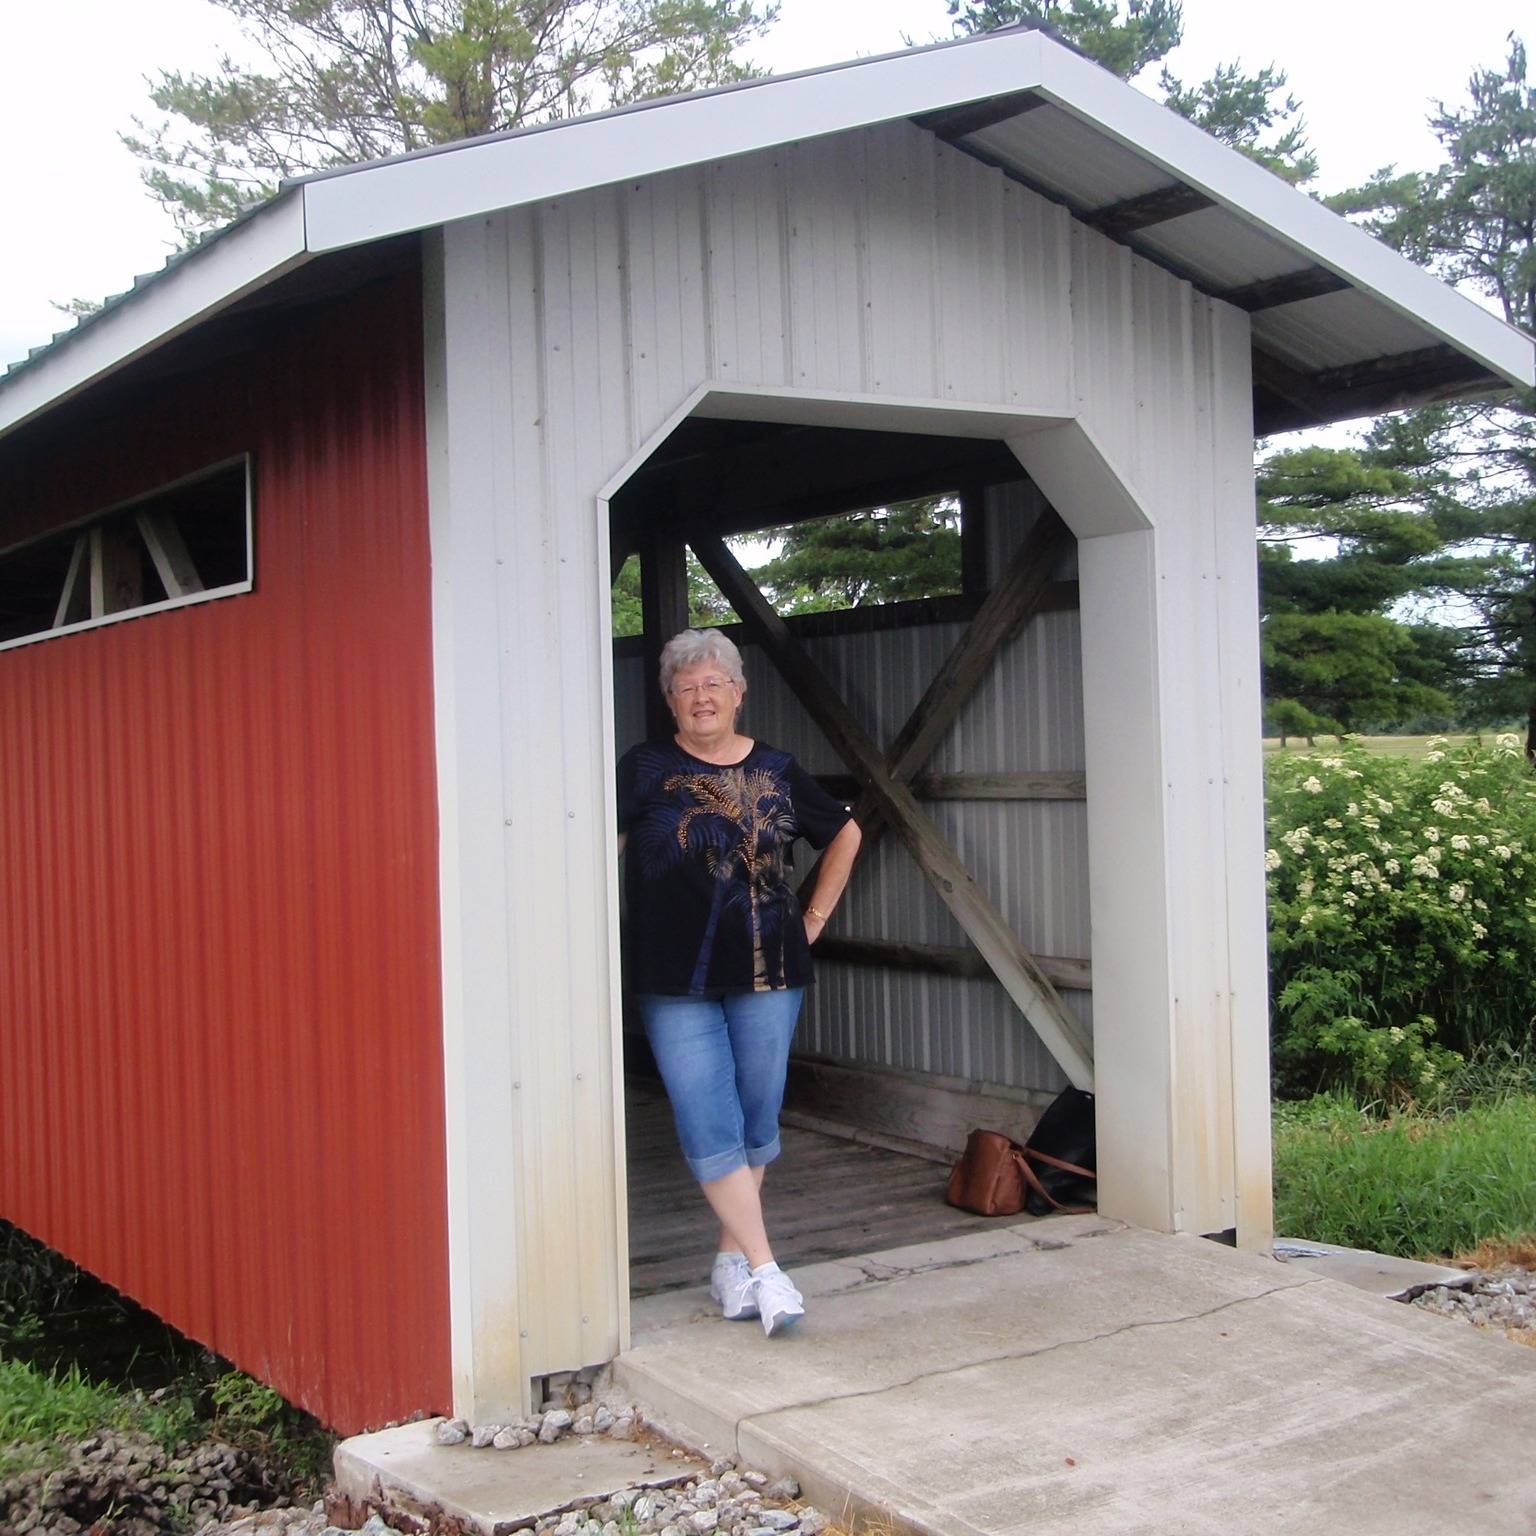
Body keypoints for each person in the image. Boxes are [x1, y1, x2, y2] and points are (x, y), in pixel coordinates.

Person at [617, 627, 862, 1336]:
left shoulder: (777, 769)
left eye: (713, 684)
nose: (701, 696)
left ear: (738, 693)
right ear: (670, 700)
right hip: (673, 974)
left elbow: (845, 832)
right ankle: (765, 1267)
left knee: (757, 1114)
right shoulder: (645, 768)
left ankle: (730, 1261)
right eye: (686, 687)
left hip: (770, 970)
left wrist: (814, 917)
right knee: (706, 1112)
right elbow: (604, 844)